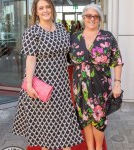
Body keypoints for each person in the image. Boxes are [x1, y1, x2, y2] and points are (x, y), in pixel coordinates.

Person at [12, 0, 83, 150]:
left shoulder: (61, 28)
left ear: (52, 8)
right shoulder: (32, 32)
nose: (45, 10)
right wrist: (29, 86)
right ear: (36, 12)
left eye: (47, 7)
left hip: (61, 85)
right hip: (43, 86)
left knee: (65, 126)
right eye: (41, 8)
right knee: (47, 130)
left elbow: (67, 53)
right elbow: (30, 59)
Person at [69, 4, 123, 150]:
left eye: (95, 16)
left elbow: (117, 62)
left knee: (99, 119)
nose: (91, 19)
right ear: (83, 18)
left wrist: (117, 83)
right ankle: (90, 148)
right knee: (85, 119)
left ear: (99, 19)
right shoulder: (74, 37)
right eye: (88, 16)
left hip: (100, 87)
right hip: (80, 88)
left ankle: (98, 148)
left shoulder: (107, 37)